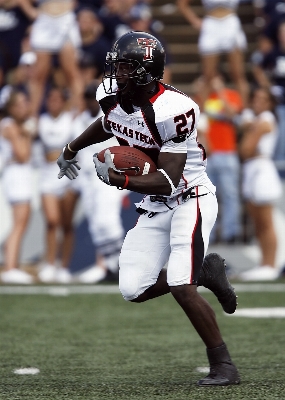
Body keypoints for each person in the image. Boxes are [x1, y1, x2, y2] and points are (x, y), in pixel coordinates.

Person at [57, 31, 239, 386]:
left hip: (191, 196)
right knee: (133, 289)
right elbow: (110, 124)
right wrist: (71, 147)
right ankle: (205, 272)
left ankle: (224, 365)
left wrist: (121, 181)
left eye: (125, 67)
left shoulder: (175, 110)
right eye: (117, 65)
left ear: (146, 71)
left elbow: (169, 180)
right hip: (156, 204)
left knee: (179, 286)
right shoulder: (111, 97)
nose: (116, 74)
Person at [71, 82, 127, 284]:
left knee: (107, 221)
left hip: (107, 175)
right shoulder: (79, 119)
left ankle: (122, 266)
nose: (89, 101)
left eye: (92, 97)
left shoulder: (111, 118)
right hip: (87, 179)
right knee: (96, 226)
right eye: (86, 97)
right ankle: (112, 268)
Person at [238, 87, 283, 281]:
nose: (257, 102)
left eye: (263, 99)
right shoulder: (255, 120)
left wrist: (247, 129)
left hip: (262, 170)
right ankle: (264, 263)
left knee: (266, 223)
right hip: (251, 170)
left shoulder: (266, 119)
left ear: (270, 104)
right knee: (257, 222)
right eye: (255, 97)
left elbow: (245, 149)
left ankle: (271, 264)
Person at [37, 87, 78, 283]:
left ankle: (64, 266)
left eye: (56, 98)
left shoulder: (72, 120)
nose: (52, 102)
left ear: (64, 101)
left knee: (67, 224)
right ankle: (50, 263)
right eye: (50, 98)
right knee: (52, 221)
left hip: (68, 177)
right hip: (47, 178)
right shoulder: (40, 121)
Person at [176, 0, 249, 108]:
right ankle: (202, 114)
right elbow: (182, 3)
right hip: (211, 24)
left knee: (238, 74)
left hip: (230, 23)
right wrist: (195, 21)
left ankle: (245, 111)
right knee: (208, 75)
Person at [199, 75, 242, 243]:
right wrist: (203, 90)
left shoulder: (231, 95)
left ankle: (231, 233)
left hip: (227, 151)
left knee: (230, 195)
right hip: (208, 154)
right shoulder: (204, 97)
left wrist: (220, 91)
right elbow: (197, 112)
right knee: (208, 196)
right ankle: (211, 233)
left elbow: (232, 114)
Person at [0, 90, 35, 284]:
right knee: (19, 223)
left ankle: (13, 265)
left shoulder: (15, 126)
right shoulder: (10, 126)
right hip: (16, 176)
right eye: (20, 104)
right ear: (11, 108)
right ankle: (10, 267)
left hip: (19, 176)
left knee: (22, 222)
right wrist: (27, 135)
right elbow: (22, 155)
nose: (24, 107)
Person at [29, 0, 83, 116]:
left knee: (71, 71)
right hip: (44, 19)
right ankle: (32, 116)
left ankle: (78, 112)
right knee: (39, 74)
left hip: (65, 19)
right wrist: (30, 11)